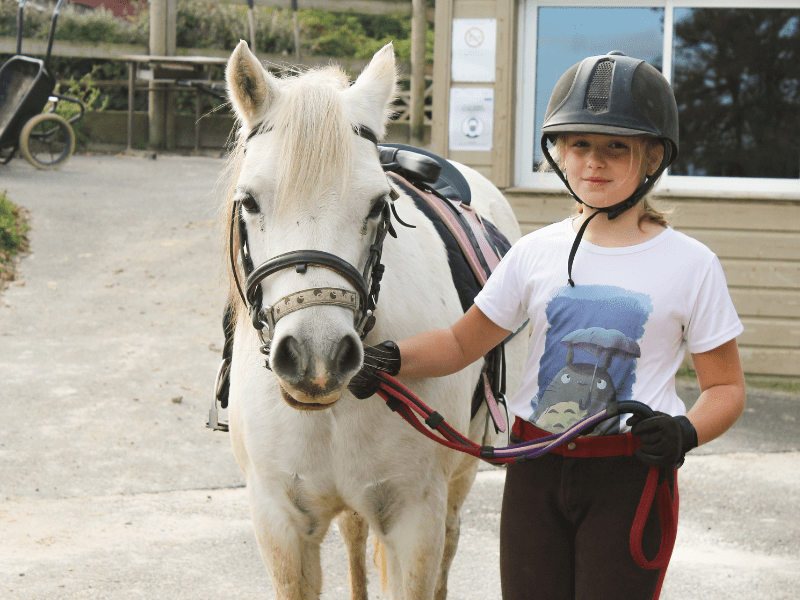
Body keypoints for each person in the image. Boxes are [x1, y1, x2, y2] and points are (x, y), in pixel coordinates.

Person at [348, 51, 746, 600]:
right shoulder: (534, 253)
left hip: (628, 475)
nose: (593, 163)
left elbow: (725, 388)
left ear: (653, 156)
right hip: (535, 469)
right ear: (557, 152)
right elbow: (462, 341)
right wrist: (391, 358)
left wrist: (686, 430)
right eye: (579, 145)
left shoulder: (691, 264)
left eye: (616, 147)